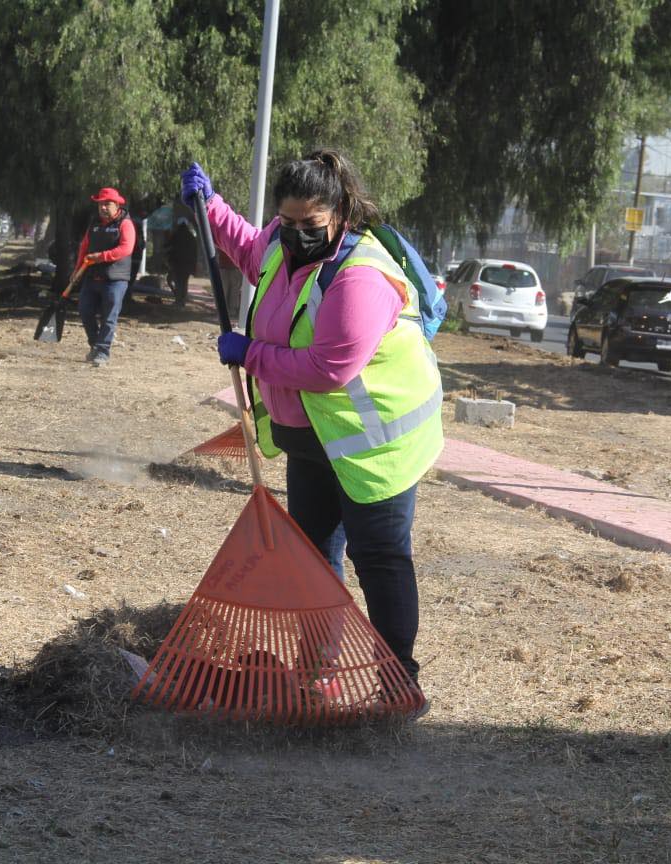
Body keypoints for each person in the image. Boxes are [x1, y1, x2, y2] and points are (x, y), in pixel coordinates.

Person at [181, 151, 442, 713]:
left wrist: (251, 354)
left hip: (374, 448)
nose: (295, 236)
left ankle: (401, 681)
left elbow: (329, 369)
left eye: (310, 226)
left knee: (380, 559)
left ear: (341, 211)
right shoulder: (281, 241)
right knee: (316, 559)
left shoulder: (361, 278)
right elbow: (252, 252)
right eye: (288, 223)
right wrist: (210, 206)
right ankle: (317, 672)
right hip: (311, 444)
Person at [75, 187, 136, 366]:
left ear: (117, 205)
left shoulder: (125, 223)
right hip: (92, 276)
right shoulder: (94, 224)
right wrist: (77, 269)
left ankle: (102, 351)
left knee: (109, 316)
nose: (102, 207)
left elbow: (126, 248)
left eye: (107, 204)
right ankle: (95, 345)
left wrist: (101, 257)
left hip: (115, 279)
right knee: (85, 311)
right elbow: (84, 247)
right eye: (100, 204)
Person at [166, 215, 197, 307]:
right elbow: (194, 252)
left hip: (176, 263)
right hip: (187, 264)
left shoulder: (175, 235)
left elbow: (168, 246)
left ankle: (178, 299)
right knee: (184, 282)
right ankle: (182, 300)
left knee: (176, 281)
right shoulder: (191, 237)